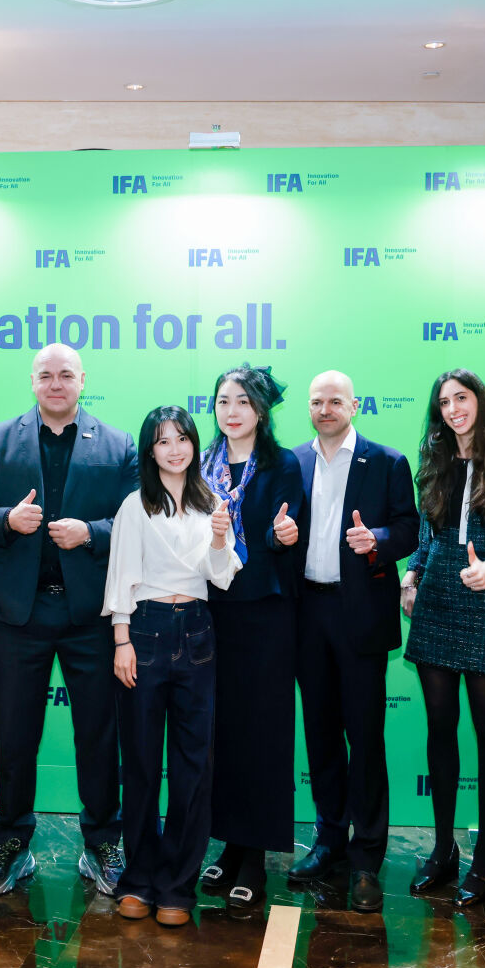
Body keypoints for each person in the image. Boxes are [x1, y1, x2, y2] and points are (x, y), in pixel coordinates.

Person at [0, 343, 138, 896]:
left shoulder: (118, 444)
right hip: (20, 613)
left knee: (98, 735)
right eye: (46, 375)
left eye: (66, 374)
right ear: (32, 381)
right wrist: (7, 520)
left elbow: (138, 518)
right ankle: (12, 844)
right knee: (15, 737)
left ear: (83, 379)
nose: (56, 383)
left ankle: (103, 842)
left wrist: (91, 532)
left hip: (91, 614)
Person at [399, 368, 485, 906]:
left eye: (462, 398)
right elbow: (426, 535)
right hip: (436, 602)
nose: (454, 408)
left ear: (480, 401)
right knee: (440, 729)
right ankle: (443, 849)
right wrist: (411, 575)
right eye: (445, 402)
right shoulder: (433, 463)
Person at [287, 370, 419, 914]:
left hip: (360, 612)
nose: (325, 409)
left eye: (335, 401)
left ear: (355, 405)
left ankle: (367, 856)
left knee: (364, 737)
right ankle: (329, 841)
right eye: (316, 401)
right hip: (307, 612)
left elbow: (410, 528)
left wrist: (377, 540)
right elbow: (277, 530)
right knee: (320, 735)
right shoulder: (292, 462)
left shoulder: (387, 461)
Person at [104, 406, 239, 927]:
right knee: (140, 763)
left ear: (194, 444)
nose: (175, 449)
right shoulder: (134, 504)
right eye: (163, 441)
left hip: (198, 632)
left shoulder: (212, 502)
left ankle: (178, 886)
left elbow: (220, 576)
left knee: (193, 767)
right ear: (150, 450)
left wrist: (220, 537)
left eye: (182, 439)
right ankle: (139, 879)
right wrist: (121, 639)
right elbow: (121, 574)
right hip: (144, 631)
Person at [196, 365, 303, 911]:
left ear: (260, 410)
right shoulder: (199, 464)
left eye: (242, 401)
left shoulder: (283, 463)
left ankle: (256, 854)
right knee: (222, 732)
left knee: (262, 732)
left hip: (264, 612)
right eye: (223, 401)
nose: (232, 411)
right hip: (210, 610)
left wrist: (282, 534)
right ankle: (231, 841)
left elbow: (283, 527)